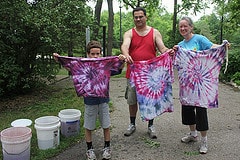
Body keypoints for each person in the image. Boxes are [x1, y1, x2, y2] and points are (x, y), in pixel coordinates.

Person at [53, 40, 125, 160]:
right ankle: (89, 149)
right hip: (89, 101)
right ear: (88, 54)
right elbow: (70, 65)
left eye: (98, 54)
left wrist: (122, 61)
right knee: (89, 126)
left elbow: (118, 69)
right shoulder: (82, 66)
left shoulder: (104, 65)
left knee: (106, 125)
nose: (95, 56)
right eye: (93, 54)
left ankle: (107, 148)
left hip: (103, 100)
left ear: (101, 54)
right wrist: (59, 59)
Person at [174, 16, 230, 154]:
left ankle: (204, 140)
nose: (183, 28)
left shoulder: (199, 39)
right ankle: (193, 134)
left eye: (185, 26)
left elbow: (212, 48)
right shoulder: (180, 46)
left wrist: (223, 46)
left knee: (201, 112)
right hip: (187, 85)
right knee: (187, 110)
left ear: (191, 27)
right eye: (181, 26)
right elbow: (176, 63)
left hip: (201, 85)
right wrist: (173, 52)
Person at [121, 7, 174, 139]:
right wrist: (126, 54)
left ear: (146, 17)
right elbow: (124, 46)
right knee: (132, 101)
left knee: (151, 100)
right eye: (136, 17)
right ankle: (132, 124)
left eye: (140, 16)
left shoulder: (154, 32)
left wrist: (168, 52)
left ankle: (151, 126)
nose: (138, 19)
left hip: (151, 74)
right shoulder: (129, 33)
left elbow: (162, 48)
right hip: (133, 73)